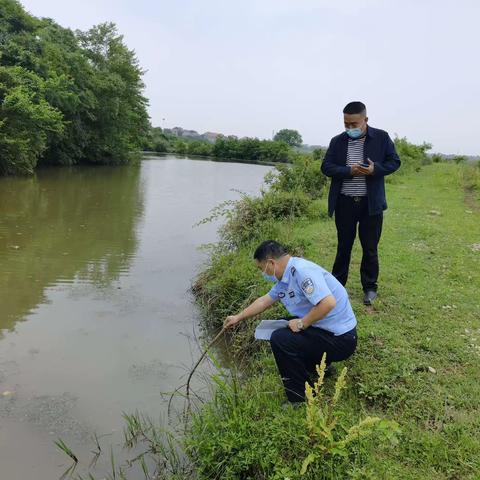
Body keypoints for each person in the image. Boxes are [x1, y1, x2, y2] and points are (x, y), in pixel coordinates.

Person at [224, 240, 357, 405]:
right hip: (327, 331)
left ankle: (300, 398)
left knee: (281, 339)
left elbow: (328, 303)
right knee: (285, 324)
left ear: (271, 263)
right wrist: (238, 317)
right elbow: (264, 301)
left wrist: (302, 323)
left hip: (341, 339)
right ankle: (320, 367)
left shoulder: (302, 272)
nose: (262, 273)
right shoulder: (285, 278)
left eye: (261, 268)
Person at [321, 101, 401, 305]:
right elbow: (326, 167)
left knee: (370, 247)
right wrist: (348, 171)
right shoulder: (337, 141)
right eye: (346, 124)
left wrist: (375, 170)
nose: (350, 128)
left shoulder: (381, 137)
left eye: (354, 124)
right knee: (343, 247)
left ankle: (370, 287)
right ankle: (337, 287)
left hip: (370, 204)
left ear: (365, 120)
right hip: (345, 203)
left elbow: (395, 162)